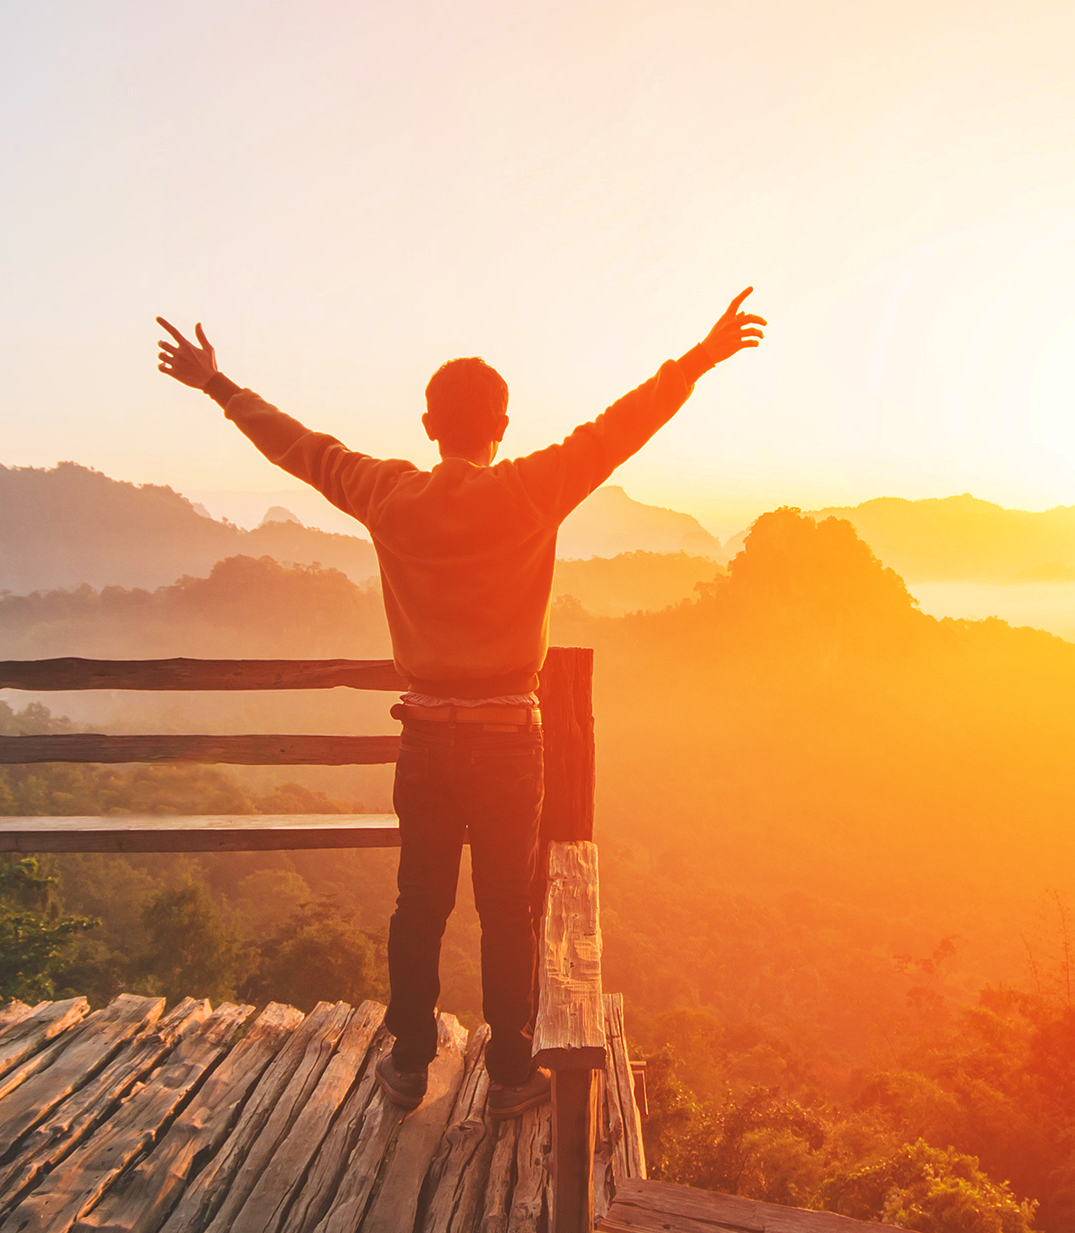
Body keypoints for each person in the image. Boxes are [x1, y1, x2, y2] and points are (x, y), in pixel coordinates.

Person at [156, 291, 768, 1116]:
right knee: (508, 911)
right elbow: (622, 426)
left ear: (428, 424)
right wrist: (700, 356)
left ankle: (409, 1062)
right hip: (511, 738)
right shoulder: (531, 490)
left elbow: (298, 447)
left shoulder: (387, 494)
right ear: (502, 425)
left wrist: (218, 387)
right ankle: (511, 1074)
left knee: (420, 903)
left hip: (427, 738)